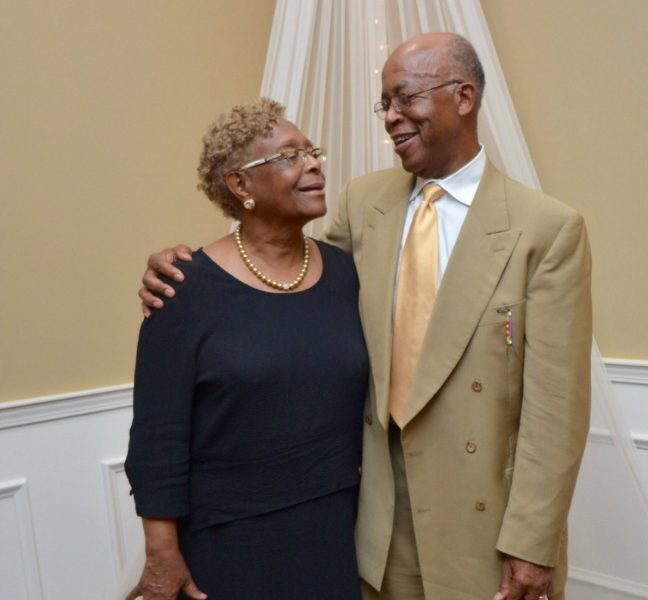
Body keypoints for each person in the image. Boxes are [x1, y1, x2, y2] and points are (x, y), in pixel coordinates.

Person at [140, 33, 592, 600]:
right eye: (385, 104)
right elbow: (285, 282)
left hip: (486, 529)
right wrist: (181, 267)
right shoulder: (361, 205)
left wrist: (532, 544)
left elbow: (557, 409)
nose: (392, 119)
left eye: (405, 99)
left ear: (464, 96)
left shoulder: (547, 228)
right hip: (372, 529)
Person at [125, 98, 367, 600]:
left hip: (335, 531)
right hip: (229, 544)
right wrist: (161, 555)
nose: (314, 163)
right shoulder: (183, 287)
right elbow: (157, 436)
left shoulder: (344, 272)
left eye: (313, 152)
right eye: (290, 155)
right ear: (240, 185)